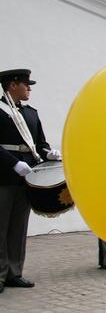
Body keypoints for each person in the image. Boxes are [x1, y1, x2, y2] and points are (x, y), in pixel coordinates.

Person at [0, 69, 62, 292]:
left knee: (18, 227)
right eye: (26, 84)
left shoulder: (31, 113)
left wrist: (49, 153)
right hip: (4, 175)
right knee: (1, 226)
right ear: (12, 85)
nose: (29, 88)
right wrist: (12, 163)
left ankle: (14, 273)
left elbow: (40, 144)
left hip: (27, 177)